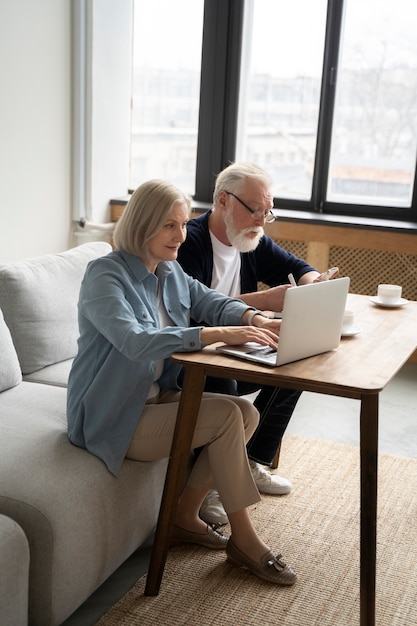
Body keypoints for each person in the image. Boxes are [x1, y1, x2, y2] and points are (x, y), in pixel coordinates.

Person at [66, 179, 296, 586]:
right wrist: (213, 335)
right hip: (114, 413)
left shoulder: (170, 271)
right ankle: (245, 540)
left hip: (156, 399)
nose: (181, 235)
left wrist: (254, 319)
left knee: (245, 413)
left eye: (184, 224)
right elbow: (134, 341)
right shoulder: (104, 276)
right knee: (228, 415)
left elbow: (211, 301)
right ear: (142, 225)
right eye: (169, 226)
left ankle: (183, 517)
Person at [178, 162, 332, 526]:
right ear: (223, 201)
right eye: (255, 209)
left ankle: (251, 461)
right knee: (224, 382)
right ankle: (213, 483)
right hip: (193, 355)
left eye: (267, 211)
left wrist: (314, 283)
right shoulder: (190, 241)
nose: (262, 221)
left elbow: (295, 265)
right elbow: (191, 312)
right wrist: (263, 302)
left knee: (298, 363)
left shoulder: (249, 238)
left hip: (233, 346)